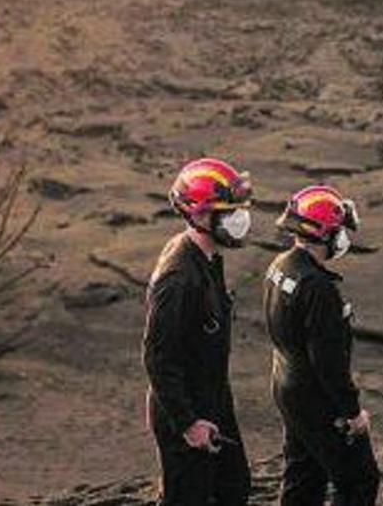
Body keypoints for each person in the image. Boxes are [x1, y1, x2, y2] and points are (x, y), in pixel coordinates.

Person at [142, 157, 254, 506]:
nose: (238, 219)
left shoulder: (207, 258)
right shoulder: (178, 277)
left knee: (233, 487)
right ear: (199, 213)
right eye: (227, 210)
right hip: (186, 411)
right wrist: (189, 423)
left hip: (212, 399)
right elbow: (158, 357)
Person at [264, 186, 380, 506]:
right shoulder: (318, 288)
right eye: (339, 230)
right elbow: (328, 362)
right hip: (317, 398)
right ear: (325, 234)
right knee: (359, 480)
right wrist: (351, 411)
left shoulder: (281, 265)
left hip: (288, 387)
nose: (342, 238)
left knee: (304, 478)